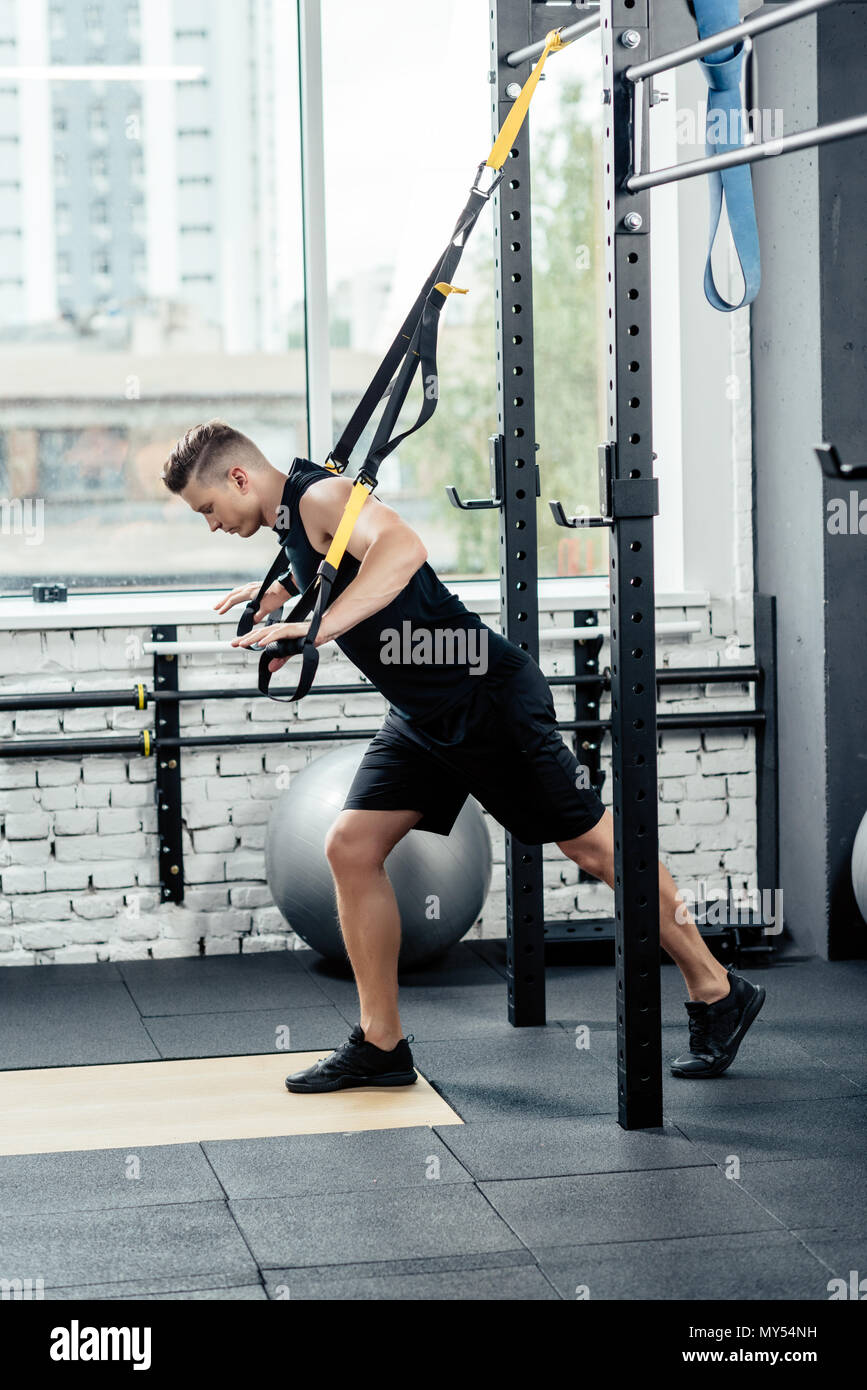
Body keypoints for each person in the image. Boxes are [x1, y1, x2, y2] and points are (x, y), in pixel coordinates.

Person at [162, 419, 766, 1093]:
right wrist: (282, 598)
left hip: (484, 696)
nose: (212, 525)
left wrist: (318, 627)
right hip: (423, 714)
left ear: (237, 477)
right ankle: (380, 1043)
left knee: (598, 851)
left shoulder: (319, 497)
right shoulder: (293, 518)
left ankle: (716, 989)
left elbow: (401, 549)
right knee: (350, 848)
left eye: (208, 509)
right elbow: (343, 569)